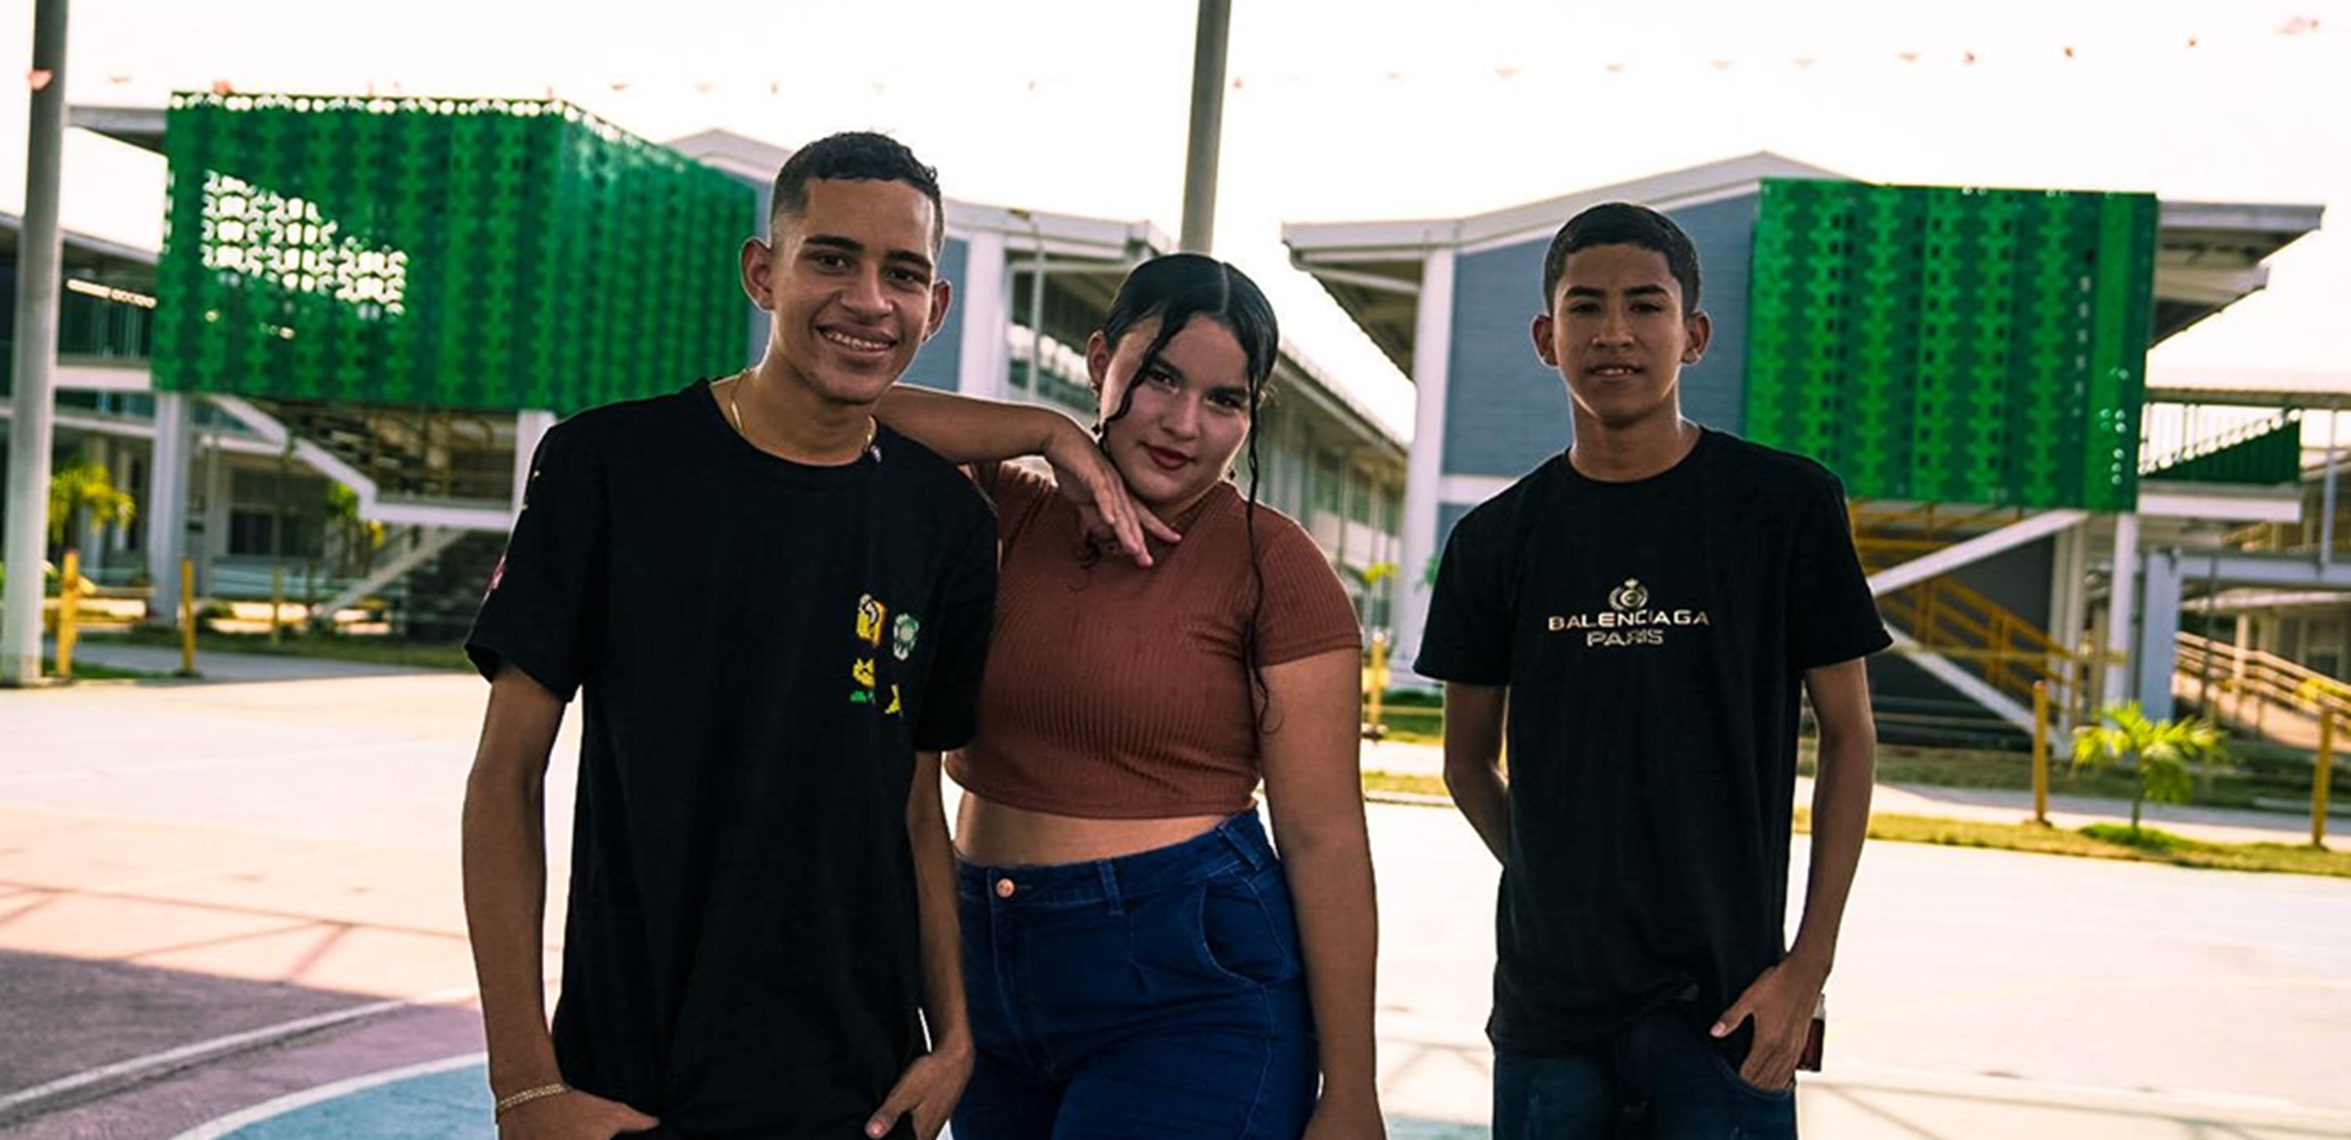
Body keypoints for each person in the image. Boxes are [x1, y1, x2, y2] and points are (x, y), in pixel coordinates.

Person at [461, 131, 1030, 1140]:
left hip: (860, 1092)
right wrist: (524, 1082)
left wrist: (952, 1039)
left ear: (935, 307)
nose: (868, 300)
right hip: (634, 1080)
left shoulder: (945, 524)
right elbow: (506, 777)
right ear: (763, 272)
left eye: (902, 273)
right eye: (832, 258)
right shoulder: (605, 468)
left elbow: (914, 802)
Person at [874, 253, 1387, 1140]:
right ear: (1098, 358)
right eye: (1159, 378)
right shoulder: (1009, 510)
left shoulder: (1275, 566)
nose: (1185, 424)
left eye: (1225, 400)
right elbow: (841, 403)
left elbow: (1325, 839)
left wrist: (1351, 1092)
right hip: (983, 971)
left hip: (1190, 985)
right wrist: (1046, 434)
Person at [1416, 202, 1889, 1140]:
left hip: (1730, 1006)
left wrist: (1806, 968)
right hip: (1552, 1013)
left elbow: (1849, 738)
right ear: (1546, 339)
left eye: (1645, 305)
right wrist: (1562, 880)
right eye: (1585, 307)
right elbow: (1465, 763)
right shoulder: (1494, 541)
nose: (1614, 332)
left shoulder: (1782, 507)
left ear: (1693, 334)